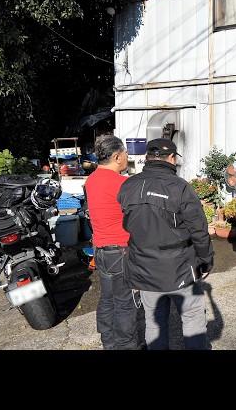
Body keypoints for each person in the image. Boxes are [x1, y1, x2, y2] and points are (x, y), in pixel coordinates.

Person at [118, 138, 213, 350]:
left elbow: (124, 223)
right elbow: (199, 230)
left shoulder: (128, 186)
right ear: (171, 158)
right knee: (192, 319)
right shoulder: (180, 187)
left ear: (147, 158)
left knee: (154, 322)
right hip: (180, 266)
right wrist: (206, 260)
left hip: (144, 265)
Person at [84, 135, 138, 350]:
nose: (127, 157)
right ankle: (126, 346)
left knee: (107, 298)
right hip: (120, 250)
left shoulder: (92, 180)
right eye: (125, 153)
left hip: (101, 250)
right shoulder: (123, 183)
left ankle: (108, 341)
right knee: (125, 302)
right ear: (117, 156)